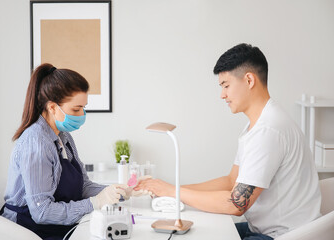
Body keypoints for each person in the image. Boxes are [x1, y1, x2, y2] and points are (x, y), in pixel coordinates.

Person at [135, 43, 322, 239]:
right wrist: (171, 189)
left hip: (282, 235)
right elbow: (230, 181)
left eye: (226, 85)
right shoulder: (257, 125)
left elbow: (236, 204)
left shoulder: (268, 131)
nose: (222, 94)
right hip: (263, 229)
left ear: (249, 80)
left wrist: (172, 191)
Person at [0, 63, 130, 240]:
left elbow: (83, 185)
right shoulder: (36, 143)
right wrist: (96, 202)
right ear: (52, 107)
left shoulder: (63, 135)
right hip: (27, 230)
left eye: (83, 108)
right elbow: (42, 211)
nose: (82, 114)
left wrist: (114, 190)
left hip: (56, 226)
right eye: (76, 109)